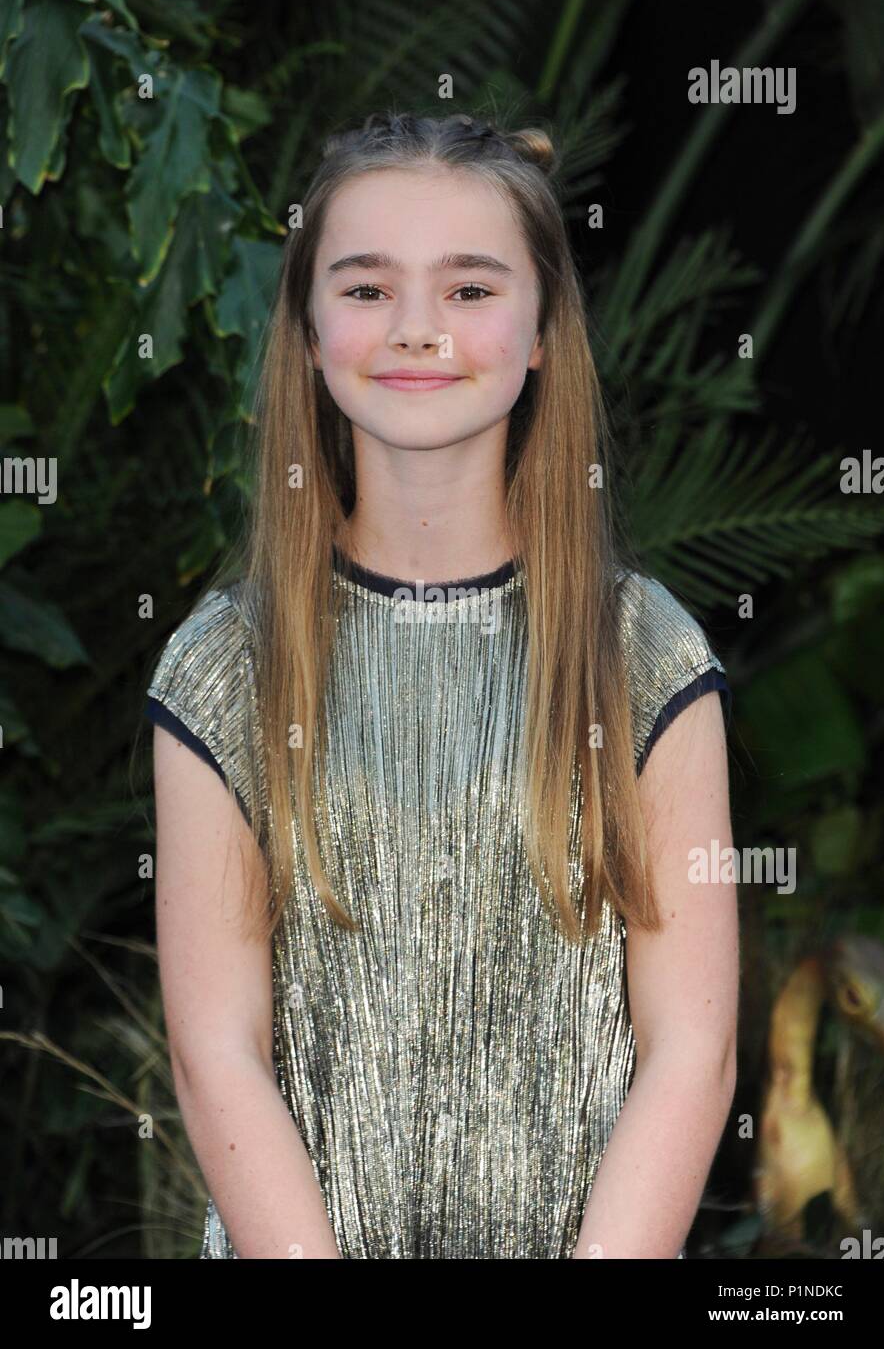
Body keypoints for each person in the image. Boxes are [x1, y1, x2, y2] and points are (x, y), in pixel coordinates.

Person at [144, 110, 738, 1260]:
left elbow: (690, 1052)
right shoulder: (226, 666)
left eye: (469, 290)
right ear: (308, 332)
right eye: (365, 289)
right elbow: (214, 1056)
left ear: (542, 334)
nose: (416, 330)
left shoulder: (645, 656)